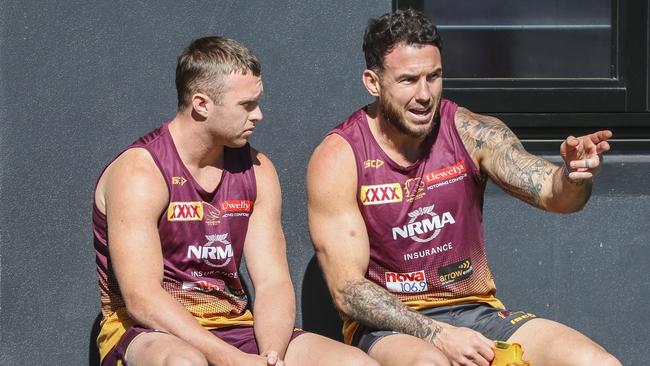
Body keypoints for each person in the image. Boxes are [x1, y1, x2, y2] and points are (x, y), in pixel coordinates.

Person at [307, 9, 621, 366]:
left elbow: (555, 194)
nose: (425, 95)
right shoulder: (340, 156)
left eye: (434, 77)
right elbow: (348, 291)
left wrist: (572, 175)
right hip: (391, 328)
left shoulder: (469, 131)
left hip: (477, 313)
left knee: (597, 363)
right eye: (409, 80)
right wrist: (436, 334)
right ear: (373, 82)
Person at [93, 36, 376, 366]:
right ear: (202, 104)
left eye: (257, 102)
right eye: (246, 105)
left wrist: (271, 356)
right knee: (185, 364)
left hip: (232, 326)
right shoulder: (141, 171)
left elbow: (272, 282)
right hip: (147, 333)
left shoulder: (258, 170)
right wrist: (230, 360)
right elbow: (142, 299)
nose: (258, 115)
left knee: (356, 364)